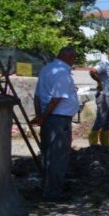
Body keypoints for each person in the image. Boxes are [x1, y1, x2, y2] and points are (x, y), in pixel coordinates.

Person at [31, 47, 80, 201]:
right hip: (58, 119)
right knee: (58, 157)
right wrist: (44, 117)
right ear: (69, 57)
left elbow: (37, 97)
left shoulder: (47, 69)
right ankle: (53, 194)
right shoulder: (61, 72)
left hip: (50, 118)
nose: (74, 60)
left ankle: (47, 189)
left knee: (48, 154)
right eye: (74, 57)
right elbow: (56, 98)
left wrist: (40, 116)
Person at [89, 46, 109, 146]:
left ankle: (105, 144)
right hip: (104, 95)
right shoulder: (104, 64)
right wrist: (99, 82)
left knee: (108, 121)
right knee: (101, 119)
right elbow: (93, 71)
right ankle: (93, 144)